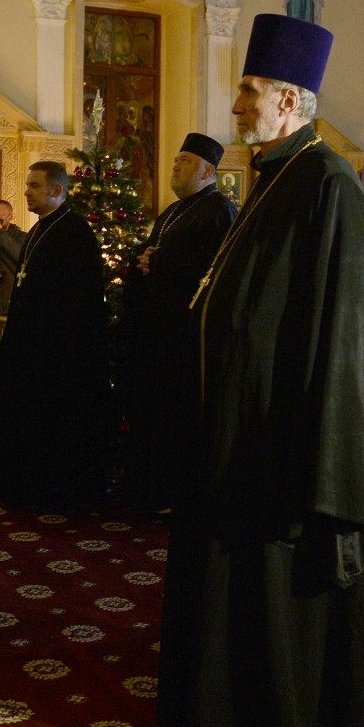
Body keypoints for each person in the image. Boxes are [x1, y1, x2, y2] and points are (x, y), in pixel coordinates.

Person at [159, 13, 364, 727]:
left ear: (289, 100)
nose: (237, 105)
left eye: (249, 91)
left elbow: (340, 331)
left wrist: (309, 434)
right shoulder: (274, 176)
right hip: (238, 424)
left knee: (269, 577)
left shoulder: (327, 183)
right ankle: (220, 706)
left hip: (285, 430)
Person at [120, 133, 235, 514]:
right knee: (152, 409)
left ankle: (173, 493)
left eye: (184, 161)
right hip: (157, 331)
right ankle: (148, 487)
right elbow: (154, 253)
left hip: (185, 335)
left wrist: (160, 262)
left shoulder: (219, 210)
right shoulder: (172, 211)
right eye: (175, 160)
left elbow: (215, 268)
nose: (175, 166)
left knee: (175, 414)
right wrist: (143, 260)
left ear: (208, 171)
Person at [0, 160, 110, 510]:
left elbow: (78, 303)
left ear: (56, 190)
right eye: (27, 185)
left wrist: (50, 346)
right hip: (31, 346)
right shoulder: (41, 228)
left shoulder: (75, 233)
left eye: (35, 186)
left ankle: (52, 491)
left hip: (57, 353)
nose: (26, 192)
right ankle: (23, 486)